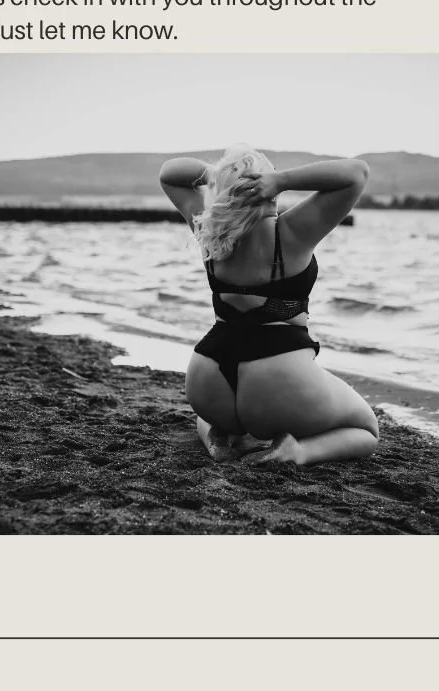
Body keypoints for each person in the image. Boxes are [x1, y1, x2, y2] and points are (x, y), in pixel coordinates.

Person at [158, 147, 380, 465]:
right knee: (365, 428)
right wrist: (282, 180)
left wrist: (222, 179)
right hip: (275, 379)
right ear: (270, 192)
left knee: (217, 417)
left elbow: (169, 172)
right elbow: (357, 172)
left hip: (208, 379)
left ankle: (217, 438)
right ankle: (297, 453)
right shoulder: (292, 233)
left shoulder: (210, 232)